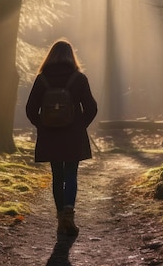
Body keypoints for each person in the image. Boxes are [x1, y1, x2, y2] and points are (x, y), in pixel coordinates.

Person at [26, 39, 97, 236]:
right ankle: (68, 214)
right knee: (71, 174)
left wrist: (42, 126)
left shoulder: (42, 79)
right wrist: (79, 126)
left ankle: (59, 219)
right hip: (73, 136)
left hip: (51, 136)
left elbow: (30, 109)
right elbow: (91, 108)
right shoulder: (79, 78)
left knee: (57, 176)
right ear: (71, 56)